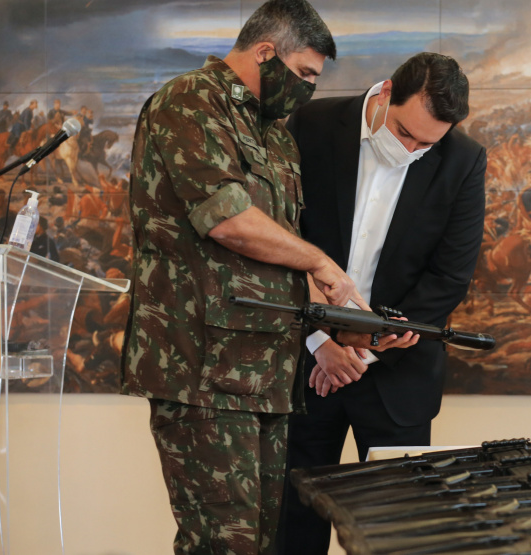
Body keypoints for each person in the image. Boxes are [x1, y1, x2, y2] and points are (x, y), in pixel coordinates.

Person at [121, 1, 367, 553]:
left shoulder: (274, 135)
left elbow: (277, 249)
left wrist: (341, 324)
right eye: (304, 74)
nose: (307, 89)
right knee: (220, 545)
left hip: (265, 375)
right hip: (202, 371)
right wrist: (322, 262)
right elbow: (229, 222)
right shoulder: (189, 102)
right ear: (265, 52)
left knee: (259, 543)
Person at [279, 52, 486, 554]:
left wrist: (362, 347)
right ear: (389, 91)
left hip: (398, 378)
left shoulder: (463, 159)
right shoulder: (313, 123)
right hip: (304, 369)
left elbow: (448, 277)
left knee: (400, 536)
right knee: (291, 532)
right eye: (403, 132)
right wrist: (319, 341)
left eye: (425, 144)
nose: (410, 148)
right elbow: (281, 238)